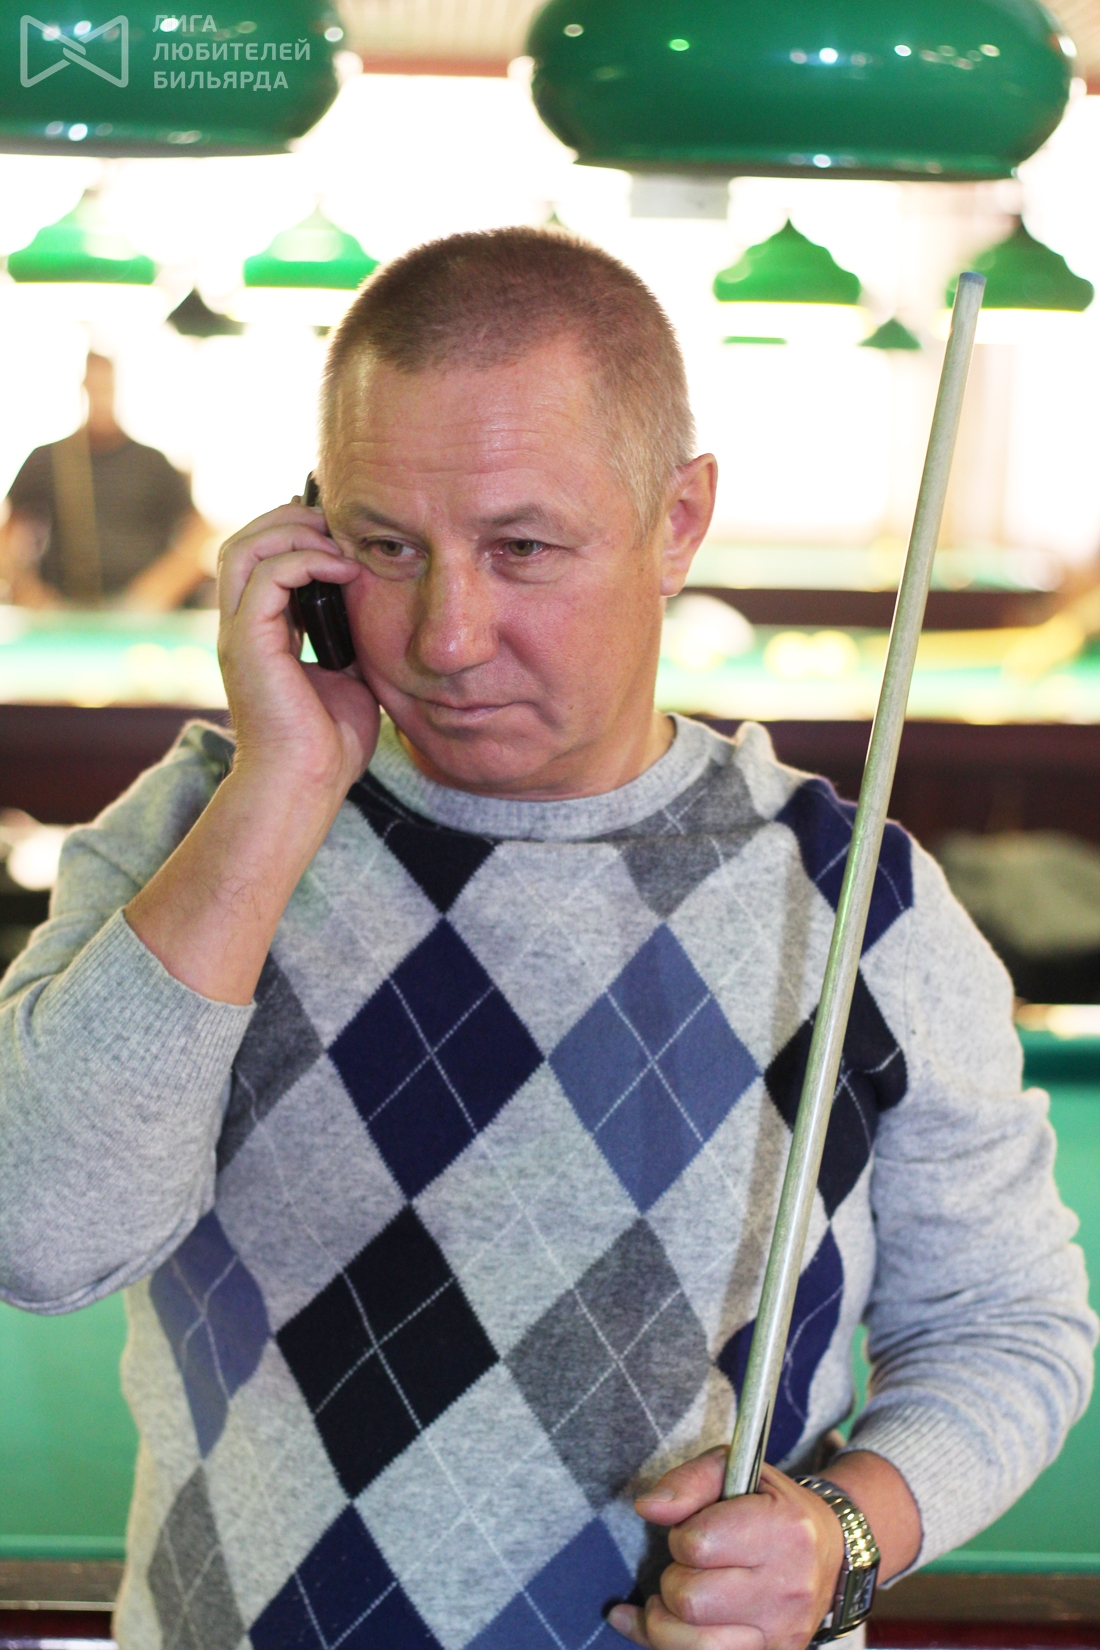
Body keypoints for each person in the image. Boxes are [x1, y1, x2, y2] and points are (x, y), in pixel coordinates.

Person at [0, 229, 1093, 1650]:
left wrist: (845, 1534)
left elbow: (1008, 1327)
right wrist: (281, 788)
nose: (447, 635)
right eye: (387, 547)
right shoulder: (196, 831)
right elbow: (40, 1241)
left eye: (522, 548)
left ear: (677, 520)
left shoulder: (857, 896)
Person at [0, 351, 212, 610]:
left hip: (140, 611)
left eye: (106, 388)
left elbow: (199, 531)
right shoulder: (48, 459)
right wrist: (27, 590)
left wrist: (160, 587)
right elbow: (7, 531)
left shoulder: (151, 462)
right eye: (94, 388)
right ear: (83, 389)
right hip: (62, 609)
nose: (100, 397)